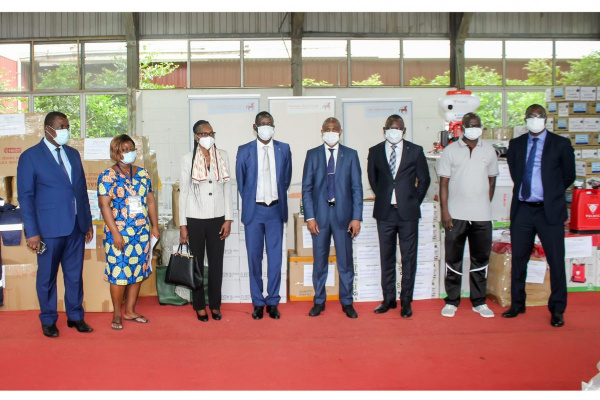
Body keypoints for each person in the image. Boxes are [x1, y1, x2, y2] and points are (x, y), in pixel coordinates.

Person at [17, 111, 94, 338]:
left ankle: (75, 316)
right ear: (48, 129)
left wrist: (87, 222)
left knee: (74, 275)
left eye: (67, 127)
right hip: (48, 229)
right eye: (62, 127)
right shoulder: (30, 157)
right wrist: (32, 232)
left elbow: (81, 191)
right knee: (47, 277)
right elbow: (25, 197)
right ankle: (49, 319)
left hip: (76, 227)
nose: (66, 131)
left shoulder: (73, 154)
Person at [503, 104, 575, 327]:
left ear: (545, 118)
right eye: (531, 116)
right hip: (523, 209)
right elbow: (516, 173)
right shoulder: (516, 144)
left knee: (556, 261)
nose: (535, 119)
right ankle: (517, 303)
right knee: (519, 259)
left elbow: (568, 175)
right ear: (525, 119)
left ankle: (557, 309)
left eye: (539, 116)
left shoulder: (560, 144)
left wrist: (551, 193)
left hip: (549, 211)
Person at [367, 114, 430, 318]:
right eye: (390, 128)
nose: (394, 131)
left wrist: (413, 201)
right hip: (385, 212)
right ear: (384, 130)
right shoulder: (375, 151)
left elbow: (424, 179)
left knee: (408, 258)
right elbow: (373, 180)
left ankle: (406, 301)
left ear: (404, 131)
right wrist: (384, 196)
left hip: (407, 214)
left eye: (398, 128)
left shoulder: (415, 151)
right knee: (387, 257)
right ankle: (388, 299)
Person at [438, 112, 498, 318]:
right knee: (453, 260)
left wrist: (482, 202)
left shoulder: (489, 150)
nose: (473, 128)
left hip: (482, 216)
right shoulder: (450, 151)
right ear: (462, 128)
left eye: (477, 125)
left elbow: (492, 180)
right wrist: (445, 212)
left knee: (480, 260)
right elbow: (443, 183)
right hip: (456, 215)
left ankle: (479, 301)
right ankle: (452, 301)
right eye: (470, 125)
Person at [302, 117, 363, 318]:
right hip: (319, 217)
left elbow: (357, 188)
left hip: (344, 217)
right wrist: (310, 217)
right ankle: (319, 301)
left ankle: (347, 302)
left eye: (334, 129)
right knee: (319, 261)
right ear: (322, 132)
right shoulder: (312, 155)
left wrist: (356, 217)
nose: (331, 132)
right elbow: (307, 188)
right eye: (327, 129)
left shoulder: (351, 155)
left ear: (340, 132)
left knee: (345, 262)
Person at [98, 134, 159, 330]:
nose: (129, 153)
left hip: (141, 232)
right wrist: (115, 233)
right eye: (124, 150)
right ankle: (117, 313)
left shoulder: (143, 174)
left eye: (131, 149)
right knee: (119, 272)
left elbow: (150, 201)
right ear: (116, 152)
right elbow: (104, 206)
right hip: (118, 233)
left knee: (137, 270)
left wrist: (155, 226)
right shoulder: (107, 176)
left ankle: (130, 310)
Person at [236, 111, 292, 320]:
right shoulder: (244, 151)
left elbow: (285, 180)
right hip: (254, 211)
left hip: (275, 211)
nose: (266, 127)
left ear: (273, 126)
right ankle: (258, 302)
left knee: (275, 259)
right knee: (254, 258)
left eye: (270, 124)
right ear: (255, 127)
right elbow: (242, 183)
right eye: (263, 124)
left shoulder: (284, 149)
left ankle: (273, 302)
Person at [179, 120, 233, 322]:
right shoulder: (187, 159)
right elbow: (183, 193)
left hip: (218, 218)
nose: (208, 137)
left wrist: (228, 218)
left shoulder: (223, 156)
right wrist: (183, 224)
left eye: (211, 133)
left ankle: (215, 305)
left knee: (216, 264)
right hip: (195, 218)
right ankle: (200, 305)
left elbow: (227, 189)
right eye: (204, 134)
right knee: (197, 265)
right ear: (196, 137)